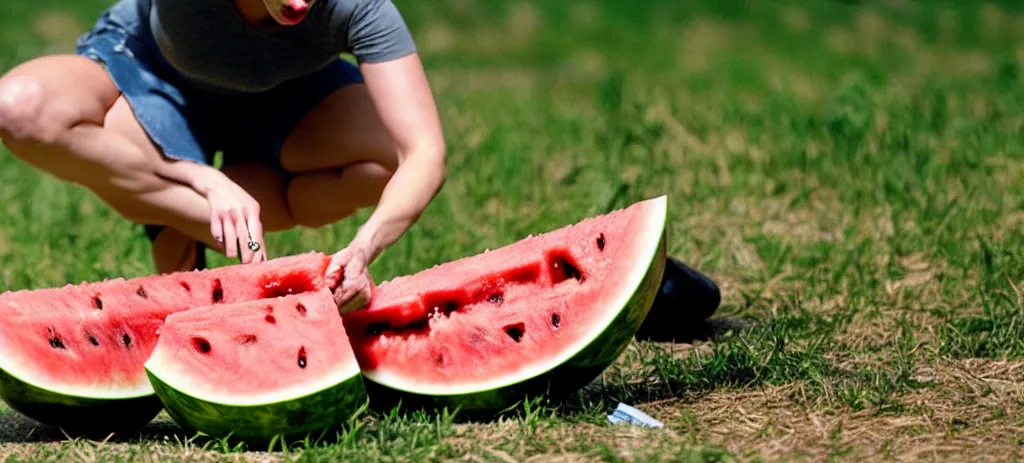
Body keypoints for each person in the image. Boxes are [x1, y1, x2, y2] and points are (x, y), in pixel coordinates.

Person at [0, 0, 722, 336]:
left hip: (283, 108)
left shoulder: (358, 5)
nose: (302, 1)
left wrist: (366, 244)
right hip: (152, 81)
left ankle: (220, 221)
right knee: (21, 107)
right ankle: (182, 202)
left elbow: (424, 153)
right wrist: (198, 179)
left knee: (383, 159)